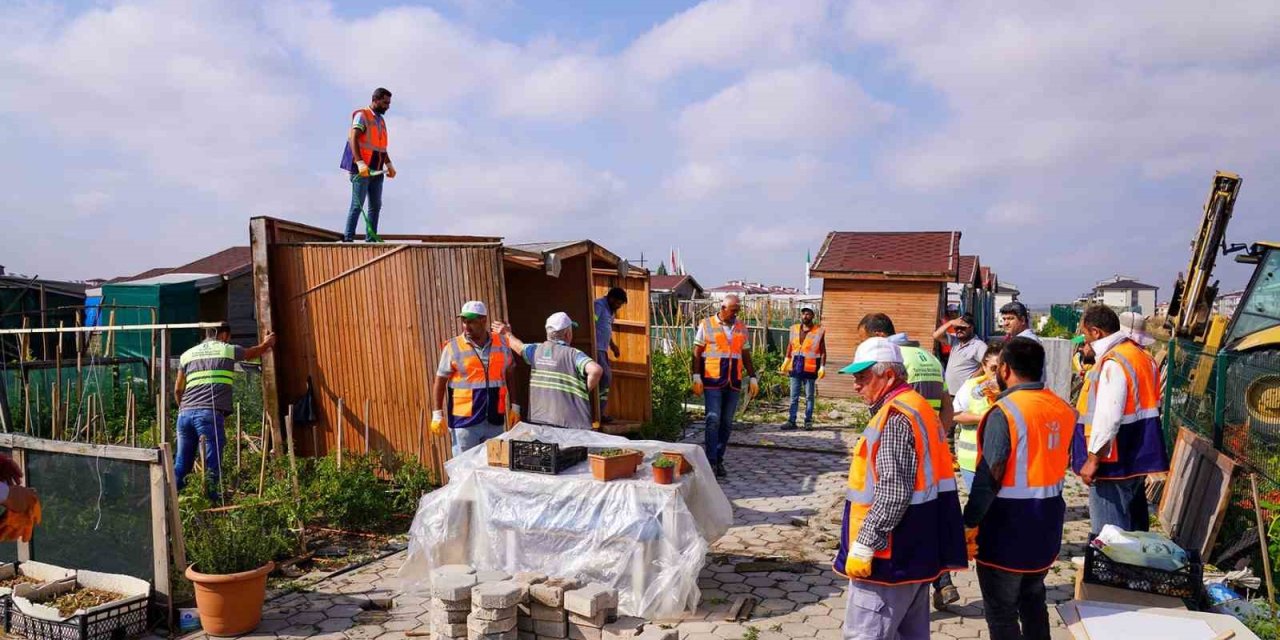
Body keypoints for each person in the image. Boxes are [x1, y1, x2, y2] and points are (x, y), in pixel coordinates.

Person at [835, 337, 967, 640]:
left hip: (888, 557)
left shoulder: (895, 418)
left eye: (863, 377)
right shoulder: (918, 407)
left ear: (889, 375)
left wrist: (866, 542)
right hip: (918, 549)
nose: (856, 385)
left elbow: (894, 491)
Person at [964, 337, 1075, 640]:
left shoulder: (1005, 412)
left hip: (1007, 528)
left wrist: (969, 521)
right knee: (1033, 600)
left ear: (1004, 369)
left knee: (1001, 612)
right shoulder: (1062, 408)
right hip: (1047, 523)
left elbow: (990, 476)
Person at [856, 312, 957, 609]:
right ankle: (943, 581)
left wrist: (865, 541)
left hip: (903, 471)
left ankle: (942, 581)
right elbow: (947, 405)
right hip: (928, 449)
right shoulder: (929, 358)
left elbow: (894, 487)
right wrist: (939, 439)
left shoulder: (898, 363)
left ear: (877, 338)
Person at [1072, 305, 1168, 533]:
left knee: (1110, 534)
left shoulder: (1113, 362)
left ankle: (1112, 569)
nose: (1084, 340)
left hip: (1113, 460)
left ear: (1096, 332)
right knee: (1133, 526)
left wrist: (1093, 459)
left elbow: (1108, 416)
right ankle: (1133, 567)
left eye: (1085, 334)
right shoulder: (1141, 356)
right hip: (1137, 453)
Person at [174, 323, 277, 493]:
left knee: (182, 462)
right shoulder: (226, 349)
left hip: (184, 415)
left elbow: (178, 389)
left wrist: (183, 408)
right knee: (212, 462)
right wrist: (267, 344)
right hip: (209, 414)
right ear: (223, 336)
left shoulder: (187, 355)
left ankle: (173, 501)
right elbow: (251, 353)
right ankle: (212, 502)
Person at [430, 301, 513, 456]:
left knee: (493, 469)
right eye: (464, 321)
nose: (466, 326)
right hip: (464, 423)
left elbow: (510, 372)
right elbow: (440, 380)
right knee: (464, 470)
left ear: (483, 320)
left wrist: (515, 406)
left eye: (471, 322)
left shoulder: (501, 343)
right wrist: (437, 414)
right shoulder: (453, 346)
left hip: (494, 420)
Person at [498, 312, 604, 430]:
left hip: (540, 420)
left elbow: (518, 346)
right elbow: (596, 370)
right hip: (571, 424)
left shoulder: (535, 351)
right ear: (568, 334)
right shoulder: (573, 355)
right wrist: (583, 390)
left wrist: (507, 333)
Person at [692, 294, 758, 479]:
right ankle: (711, 461)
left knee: (727, 423)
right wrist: (696, 375)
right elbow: (697, 352)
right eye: (733, 310)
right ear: (723, 308)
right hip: (712, 380)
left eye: (738, 310)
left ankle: (719, 459)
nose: (736, 314)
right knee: (713, 420)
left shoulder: (740, 327)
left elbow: (745, 354)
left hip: (733, 382)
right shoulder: (706, 325)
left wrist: (752, 376)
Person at [340, 87, 396, 242]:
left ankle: (370, 239)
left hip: (377, 170)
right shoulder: (362, 116)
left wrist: (389, 164)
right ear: (375, 99)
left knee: (375, 206)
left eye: (389, 103)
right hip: (362, 170)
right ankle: (348, 238)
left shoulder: (381, 121)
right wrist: (359, 162)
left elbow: (380, 147)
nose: (388, 106)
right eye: (385, 103)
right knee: (357, 205)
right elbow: (353, 139)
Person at [951, 343, 1001, 489]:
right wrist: (984, 418)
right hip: (972, 462)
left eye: (1002, 367)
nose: (997, 373)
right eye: (993, 368)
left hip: (1003, 463)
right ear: (984, 366)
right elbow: (955, 415)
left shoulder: (1012, 388)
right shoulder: (971, 386)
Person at [781, 306, 826, 430]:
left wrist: (822, 366)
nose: (805, 316)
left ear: (813, 316)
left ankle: (808, 421)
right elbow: (790, 346)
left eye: (808, 314)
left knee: (809, 397)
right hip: (795, 367)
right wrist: (786, 359)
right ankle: (791, 421)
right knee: (793, 396)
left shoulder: (819, 331)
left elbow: (822, 351)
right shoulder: (794, 329)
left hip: (810, 369)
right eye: (803, 314)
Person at [593, 288, 628, 423]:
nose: (619, 307)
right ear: (611, 299)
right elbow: (592, 324)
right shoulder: (599, 306)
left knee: (605, 380)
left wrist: (613, 346)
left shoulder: (611, 311)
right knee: (605, 377)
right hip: (596, 349)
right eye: (618, 303)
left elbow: (606, 329)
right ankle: (597, 414)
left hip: (603, 349)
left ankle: (599, 412)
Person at [935, 312, 988, 401]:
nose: (959, 330)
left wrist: (974, 377)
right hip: (949, 393)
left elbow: (987, 364)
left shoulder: (979, 345)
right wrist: (950, 323)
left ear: (971, 327)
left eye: (962, 327)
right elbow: (936, 335)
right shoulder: (955, 341)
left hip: (965, 394)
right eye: (956, 328)